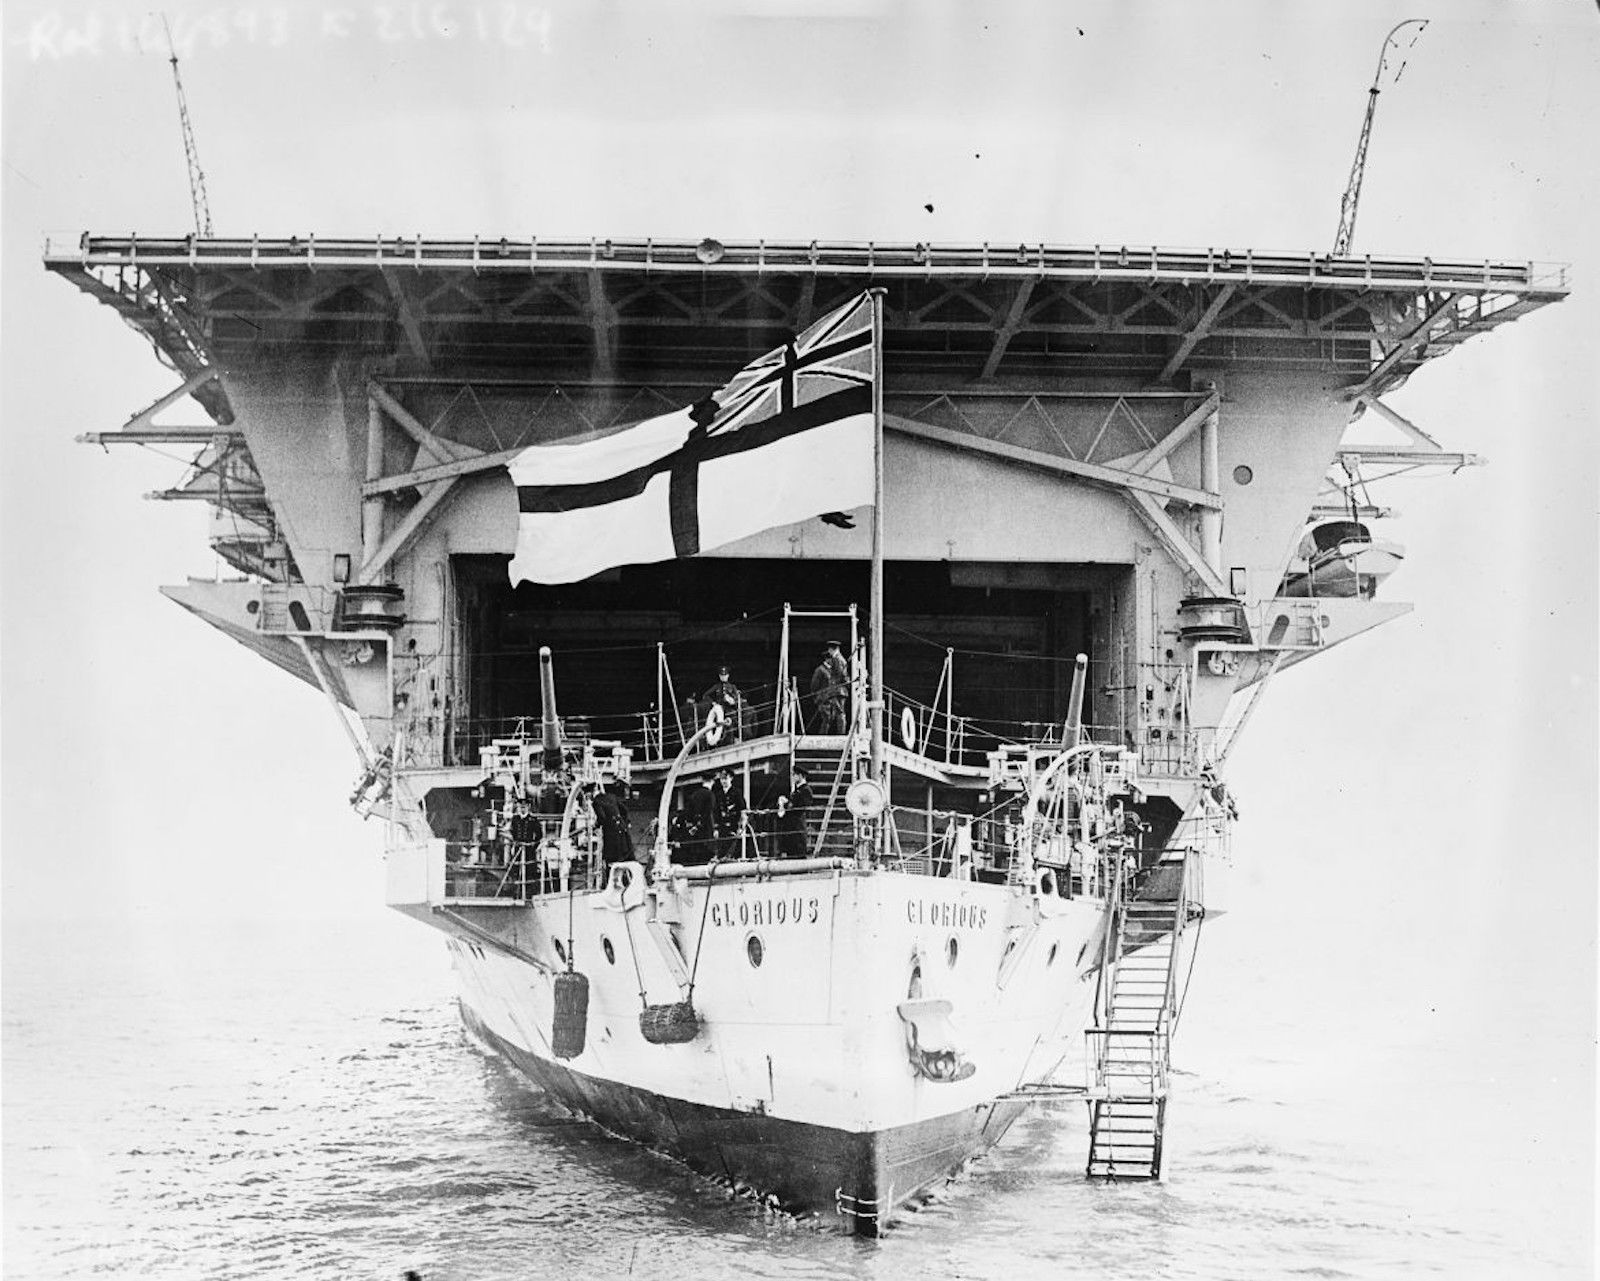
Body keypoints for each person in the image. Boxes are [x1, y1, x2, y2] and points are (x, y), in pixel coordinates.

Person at [808, 640, 849, 734]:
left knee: (838, 714)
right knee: (832, 715)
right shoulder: (836, 660)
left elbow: (840, 675)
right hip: (835, 692)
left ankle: (841, 734)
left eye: (829, 650)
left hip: (838, 691)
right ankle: (839, 733)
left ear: (832, 649)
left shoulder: (837, 659)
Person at [590, 782, 634, 867]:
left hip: (611, 834)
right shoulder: (612, 796)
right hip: (622, 830)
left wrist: (595, 826)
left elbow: (602, 818)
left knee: (611, 860)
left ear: (591, 792)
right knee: (625, 858)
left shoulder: (596, 802)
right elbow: (624, 810)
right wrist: (625, 822)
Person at [676, 776, 717, 865]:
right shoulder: (710, 795)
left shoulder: (694, 794)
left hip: (693, 833)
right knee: (706, 855)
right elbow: (708, 813)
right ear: (712, 782)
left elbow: (687, 812)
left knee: (694, 855)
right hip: (706, 832)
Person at [774, 767, 814, 858]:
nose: (793, 777)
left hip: (798, 828)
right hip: (792, 828)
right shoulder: (797, 791)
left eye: (794, 775)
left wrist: (787, 802)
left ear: (800, 776)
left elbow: (800, 808)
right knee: (792, 854)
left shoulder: (806, 790)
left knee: (798, 854)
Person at [700, 665, 743, 741]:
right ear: (719, 676)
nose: (723, 677)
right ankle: (716, 740)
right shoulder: (716, 686)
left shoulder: (732, 687)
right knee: (716, 724)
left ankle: (734, 738)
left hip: (729, 710)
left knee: (733, 721)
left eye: (725, 675)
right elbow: (705, 695)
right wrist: (713, 703)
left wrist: (731, 700)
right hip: (719, 709)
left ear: (728, 676)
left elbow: (737, 698)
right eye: (722, 675)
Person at [710, 767, 746, 859]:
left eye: (725, 778)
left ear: (731, 778)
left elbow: (742, 810)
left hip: (734, 825)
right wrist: (716, 828)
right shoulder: (718, 794)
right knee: (721, 850)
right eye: (722, 779)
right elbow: (716, 812)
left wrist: (741, 826)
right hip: (722, 827)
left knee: (734, 851)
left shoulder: (737, 792)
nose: (723, 781)